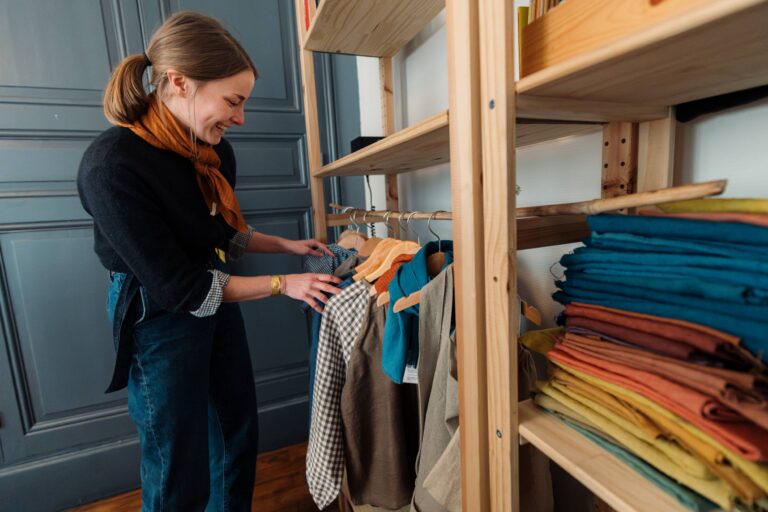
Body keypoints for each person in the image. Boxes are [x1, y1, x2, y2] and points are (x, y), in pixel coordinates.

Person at [77, 11, 342, 511]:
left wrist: (287, 247)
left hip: (214, 293)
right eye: (233, 101)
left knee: (236, 432)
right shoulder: (112, 166)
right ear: (179, 82)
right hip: (155, 312)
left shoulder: (213, 152)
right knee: (176, 460)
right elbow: (181, 288)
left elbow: (220, 235)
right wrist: (285, 284)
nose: (239, 118)